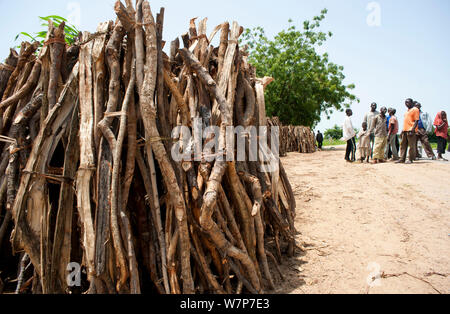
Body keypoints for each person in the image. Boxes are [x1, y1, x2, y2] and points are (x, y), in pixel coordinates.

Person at [397, 98, 420, 164]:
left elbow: (416, 120)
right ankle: (402, 158)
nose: (406, 104)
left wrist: (412, 130)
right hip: (405, 130)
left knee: (411, 146)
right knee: (403, 145)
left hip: (411, 130)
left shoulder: (415, 109)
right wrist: (402, 130)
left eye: (408, 102)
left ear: (412, 103)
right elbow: (406, 121)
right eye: (405, 103)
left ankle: (410, 159)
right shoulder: (407, 111)